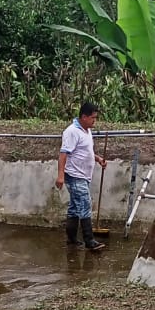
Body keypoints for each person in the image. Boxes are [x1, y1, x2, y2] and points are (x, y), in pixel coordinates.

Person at [55, 103, 106, 252]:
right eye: (93, 118)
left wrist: (97, 159)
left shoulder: (86, 130)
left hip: (83, 176)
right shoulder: (72, 132)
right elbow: (63, 154)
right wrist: (60, 176)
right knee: (85, 204)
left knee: (74, 207)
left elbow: (85, 151)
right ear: (84, 117)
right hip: (74, 175)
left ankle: (71, 238)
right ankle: (89, 240)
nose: (95, 121)